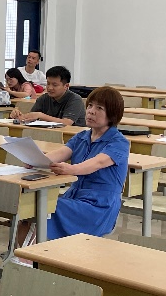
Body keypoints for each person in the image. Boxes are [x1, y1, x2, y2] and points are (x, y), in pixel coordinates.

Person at [40, 86, 129, 240]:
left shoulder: (119, 142)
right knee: (35, 208)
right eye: (90, 106)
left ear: (112, 114)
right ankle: (25, 251)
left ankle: (33, 252)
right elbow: (61, 153)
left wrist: (70, 169)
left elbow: (98, 162)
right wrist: (36, 160)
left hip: (98, 206)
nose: (91, 111)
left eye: (99, 108)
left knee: (44, 208)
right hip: (75, 198)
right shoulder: (81, 136)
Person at [9, 65, 86, 126]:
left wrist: (40, 115)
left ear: (66, 86)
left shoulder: (75, 99)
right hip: (50, 135)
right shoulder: (44, 98)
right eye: (48, 83)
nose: (49, 88)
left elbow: (67, 123)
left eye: (55, 85)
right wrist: (19, 116)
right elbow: (32, 117)